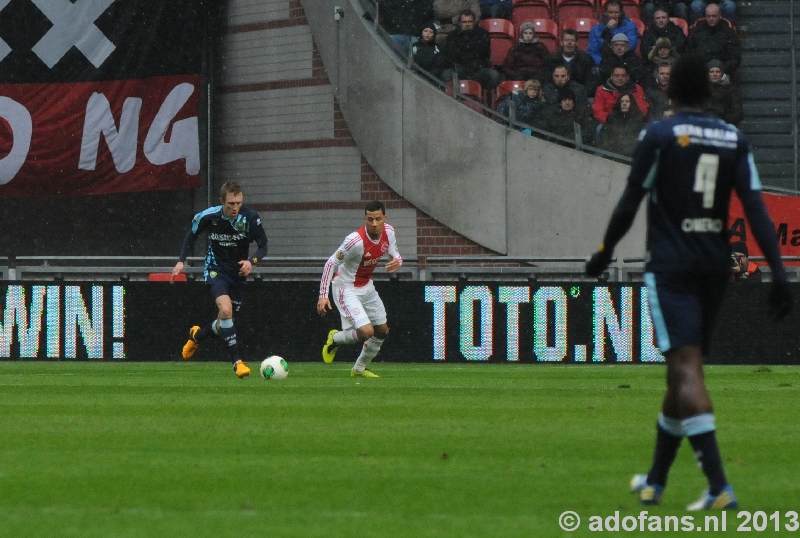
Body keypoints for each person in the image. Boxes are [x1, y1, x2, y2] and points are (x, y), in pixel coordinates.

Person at [586, 54, 792, 511]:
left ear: (671, 92)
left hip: (673, 267)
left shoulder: (659, 134)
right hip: (714, 268)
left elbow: (630, 201)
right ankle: (655, 482)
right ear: (708, 91)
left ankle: (719, 486)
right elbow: (755, 207)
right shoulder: (733, 138)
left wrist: (603, 252)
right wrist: (779, 271)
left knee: (685, 371)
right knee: (681, 370)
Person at [172, 180, 269, 379]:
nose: (235, 208)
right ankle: (237, 363)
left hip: (238, 274)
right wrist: (181, 261)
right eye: (231, 204)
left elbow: (263, 245)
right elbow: (191, 236)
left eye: (239, 203)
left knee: (224, 322)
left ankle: (197, 336)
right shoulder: (209, 216)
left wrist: (252, 261)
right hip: (215, 269)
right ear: (222, 201)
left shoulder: (249, 218)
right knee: (225, 310)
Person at [317, 201, 403, 378]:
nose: (374, 224)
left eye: (378, 219)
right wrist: (323, 296)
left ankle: (359, 368)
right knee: (366, 332)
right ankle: (334, 339)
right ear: (365, 219)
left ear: (384, 218)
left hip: (366, 286)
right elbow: (331, 263)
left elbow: (395, 254)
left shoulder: (389, 232)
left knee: (382, 331)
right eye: (370, 219)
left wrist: (398, 262)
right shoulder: (354, 241)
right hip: (345, 288)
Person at [440, 10, 501, 91]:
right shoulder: (452, 36)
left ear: (474, 22)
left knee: (494, 75)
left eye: (470, 22)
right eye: (464, 22)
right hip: (459, 70)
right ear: (460, 23)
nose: (467, 24)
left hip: (478, 70)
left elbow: (483, 52)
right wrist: (469, 53)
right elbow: (451, 54)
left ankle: (486, 99)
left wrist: (464, 53)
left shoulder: (482, 34)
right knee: (446, 75)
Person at [686, 3, 740, 76]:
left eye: (714, 16)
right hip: (700, 70)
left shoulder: (729, 33)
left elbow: (735, 57)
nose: (711, 19)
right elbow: (689, 52)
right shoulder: (697, 31)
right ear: (705, 16)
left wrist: (720, 69)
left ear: (719, 15)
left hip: (722, 70)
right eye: (708, 16)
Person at [543, 29, 599, 96]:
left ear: (577, 43)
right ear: (561, 42)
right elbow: (546, 81)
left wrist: (579, 94)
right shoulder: (551, 59)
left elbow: (591, 82)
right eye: (566, 40)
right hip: (555, 96)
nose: (569, 43)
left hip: (579, 96)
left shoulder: (586, 59)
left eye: (572, 40)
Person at [588, 0, 639, 66]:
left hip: (625, 62)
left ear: (621, 13)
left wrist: (613, 30)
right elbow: (592, 52)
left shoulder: (630, 27)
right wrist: (603, 62)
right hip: (604, 63)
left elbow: (630, 46)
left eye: (616, 12)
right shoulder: (596, 30)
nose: (613, 15)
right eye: (610, 12)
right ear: (605, 13)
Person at [706, 59, 742, 126]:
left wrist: (722, 119)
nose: (714, 74)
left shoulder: (731, 90)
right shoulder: (702, 90)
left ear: (722, 74)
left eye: (717, 72)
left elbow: (738, 114)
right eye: (711, 72)